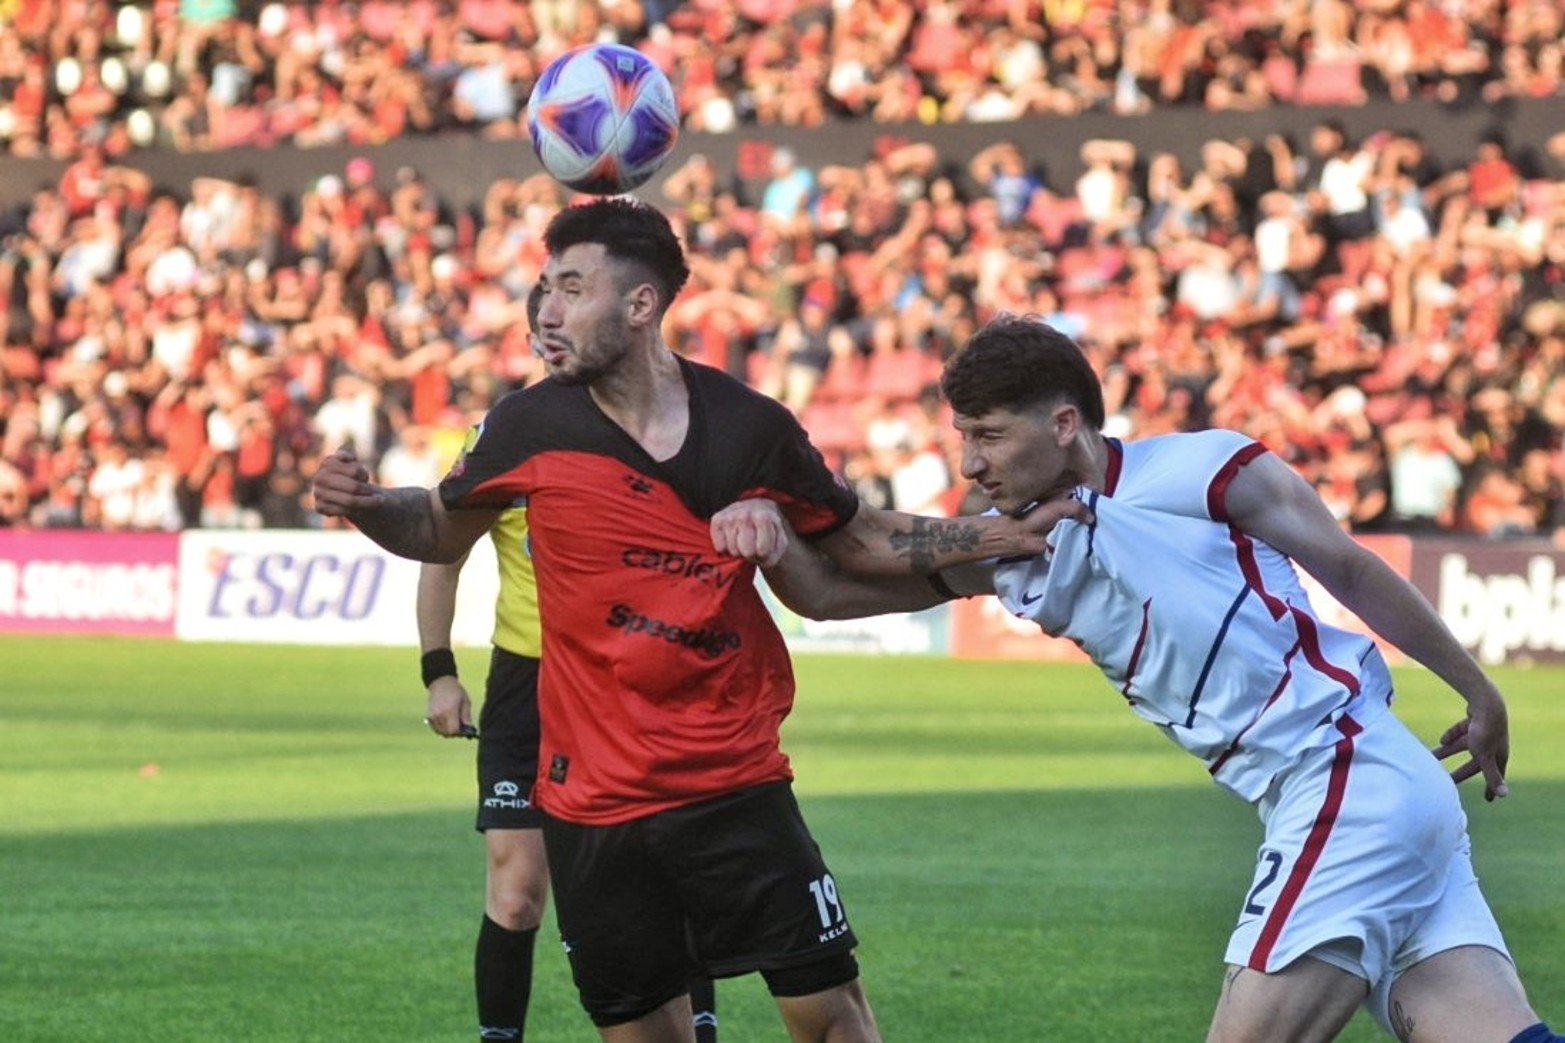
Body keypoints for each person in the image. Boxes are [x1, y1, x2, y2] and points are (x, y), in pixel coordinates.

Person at [314, 199, 1058, 1043]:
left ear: (639, 306)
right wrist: (369, 504)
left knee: (834, 1024)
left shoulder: (749, 427)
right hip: (591, 808)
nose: (546, 310)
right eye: (544, 289)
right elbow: (436, 527)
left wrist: (991, 537)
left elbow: (856, 538)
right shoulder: (526, 425)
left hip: (733, 785)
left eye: (570, 288)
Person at [712, 315, 1561, 1043]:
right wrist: (768, 528)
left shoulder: (1203, 473)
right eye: (962, 435)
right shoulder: (1007, 544)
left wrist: (1475, 688)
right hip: (1348, 796)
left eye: (989, 434)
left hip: (1345, 776)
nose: (969, 462)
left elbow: (1349, 567)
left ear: (1064, 421)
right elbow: (827, 590)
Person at [417, 285, 719, 1043]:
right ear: (532, 338)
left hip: (632, 683)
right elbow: (439, 548)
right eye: (543, 328)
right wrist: (438, 670)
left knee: (665, 875)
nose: (556, 338)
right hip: (530, 684)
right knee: (517, 892)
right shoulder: (509, 436)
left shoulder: (664, 428)